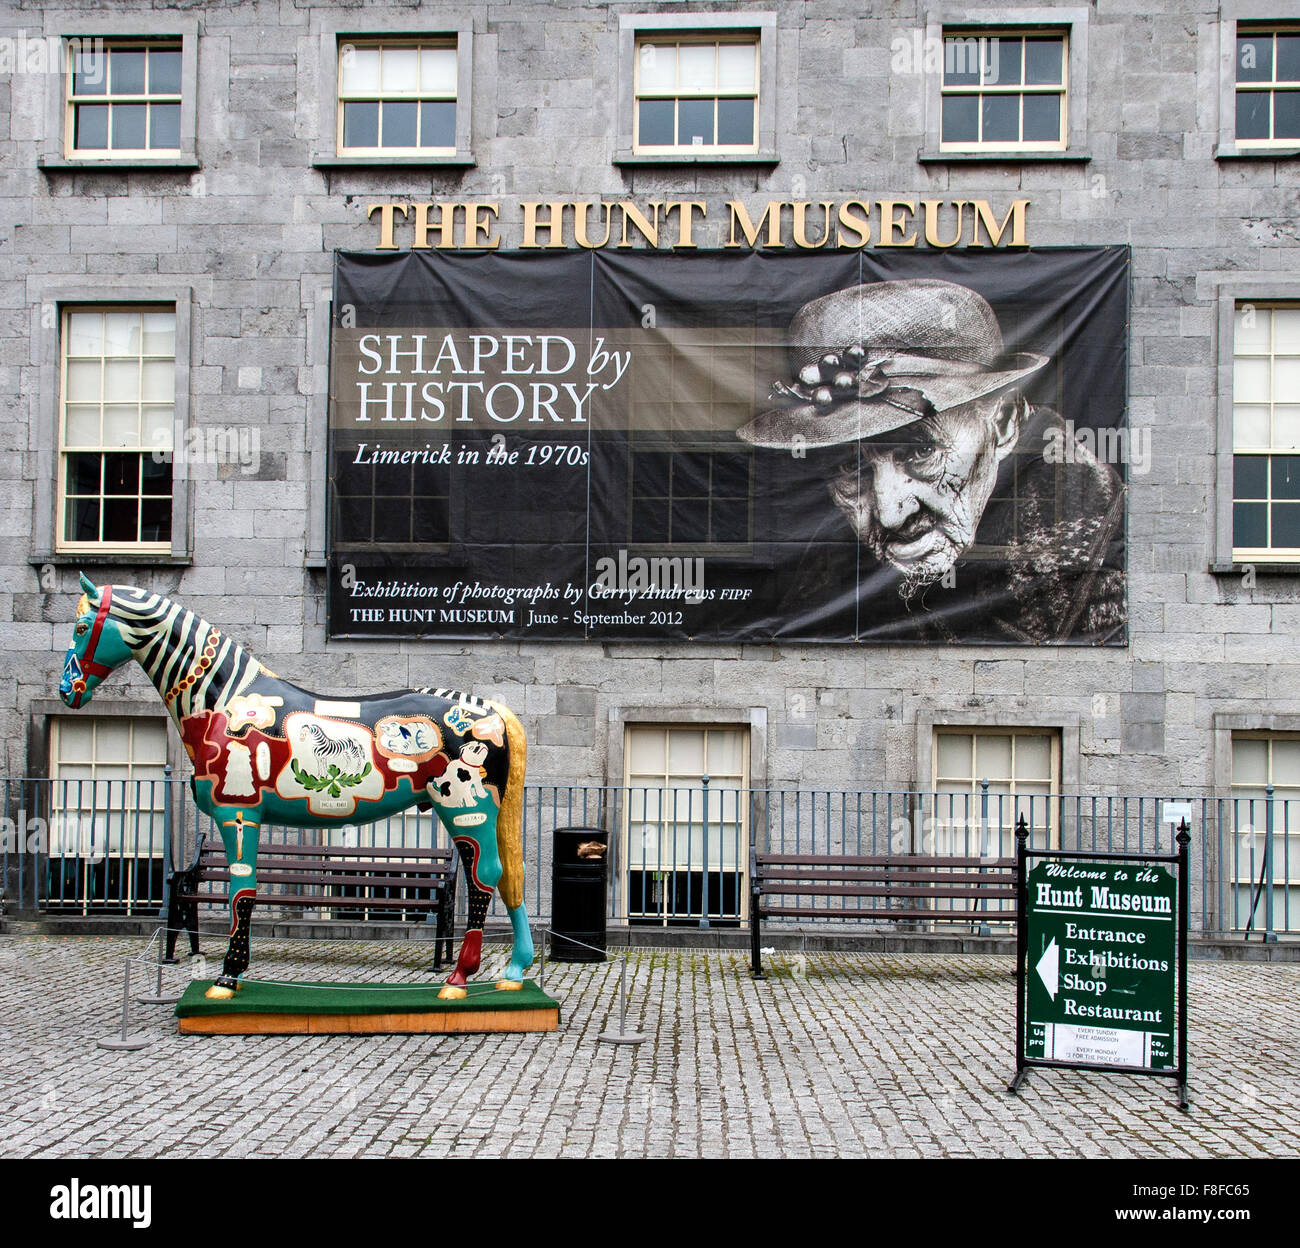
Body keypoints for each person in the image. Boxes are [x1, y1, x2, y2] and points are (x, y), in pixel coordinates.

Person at [737, 278, 1126, 644]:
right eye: (851, 469)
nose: (892, 514)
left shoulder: (1105, 571)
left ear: (1004, 423)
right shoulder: (816, 580)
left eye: (920, 452)